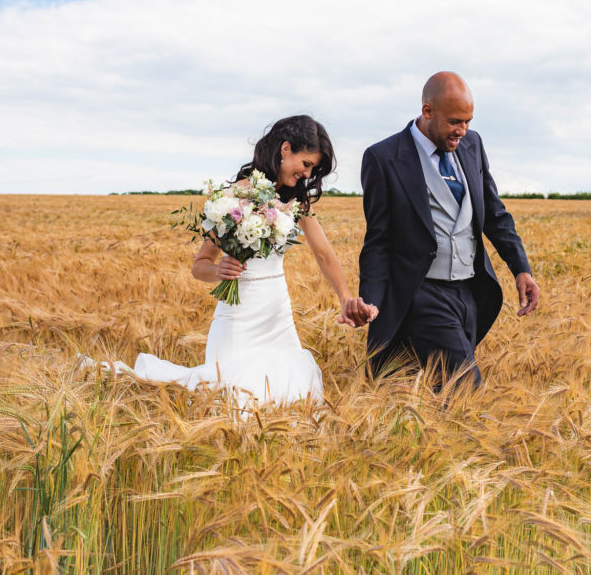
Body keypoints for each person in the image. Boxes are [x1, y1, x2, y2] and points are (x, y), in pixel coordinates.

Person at [90, 115, 378, 407]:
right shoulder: (234, 198)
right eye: (306, 164)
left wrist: (345, 299)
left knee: (288, 395)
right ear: (286, 149)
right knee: (230, 395)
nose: (308, 174)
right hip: (239, 316)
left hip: (277, 314)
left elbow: (324, 254)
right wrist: (218, 270)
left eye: (313, 169)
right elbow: (199, 265)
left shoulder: (296, 202)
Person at [358, 72, 540, 387]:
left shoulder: (472, 144)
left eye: (468, 121)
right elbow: (378, 240)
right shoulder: (383, 158)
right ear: (428, 111)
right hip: (423, 293)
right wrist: (370, 299)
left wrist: (520, 268)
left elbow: (494, 214)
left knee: (439, 394)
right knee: (465, 389)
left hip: (470, 293)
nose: (463, 130)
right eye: (455, 121)